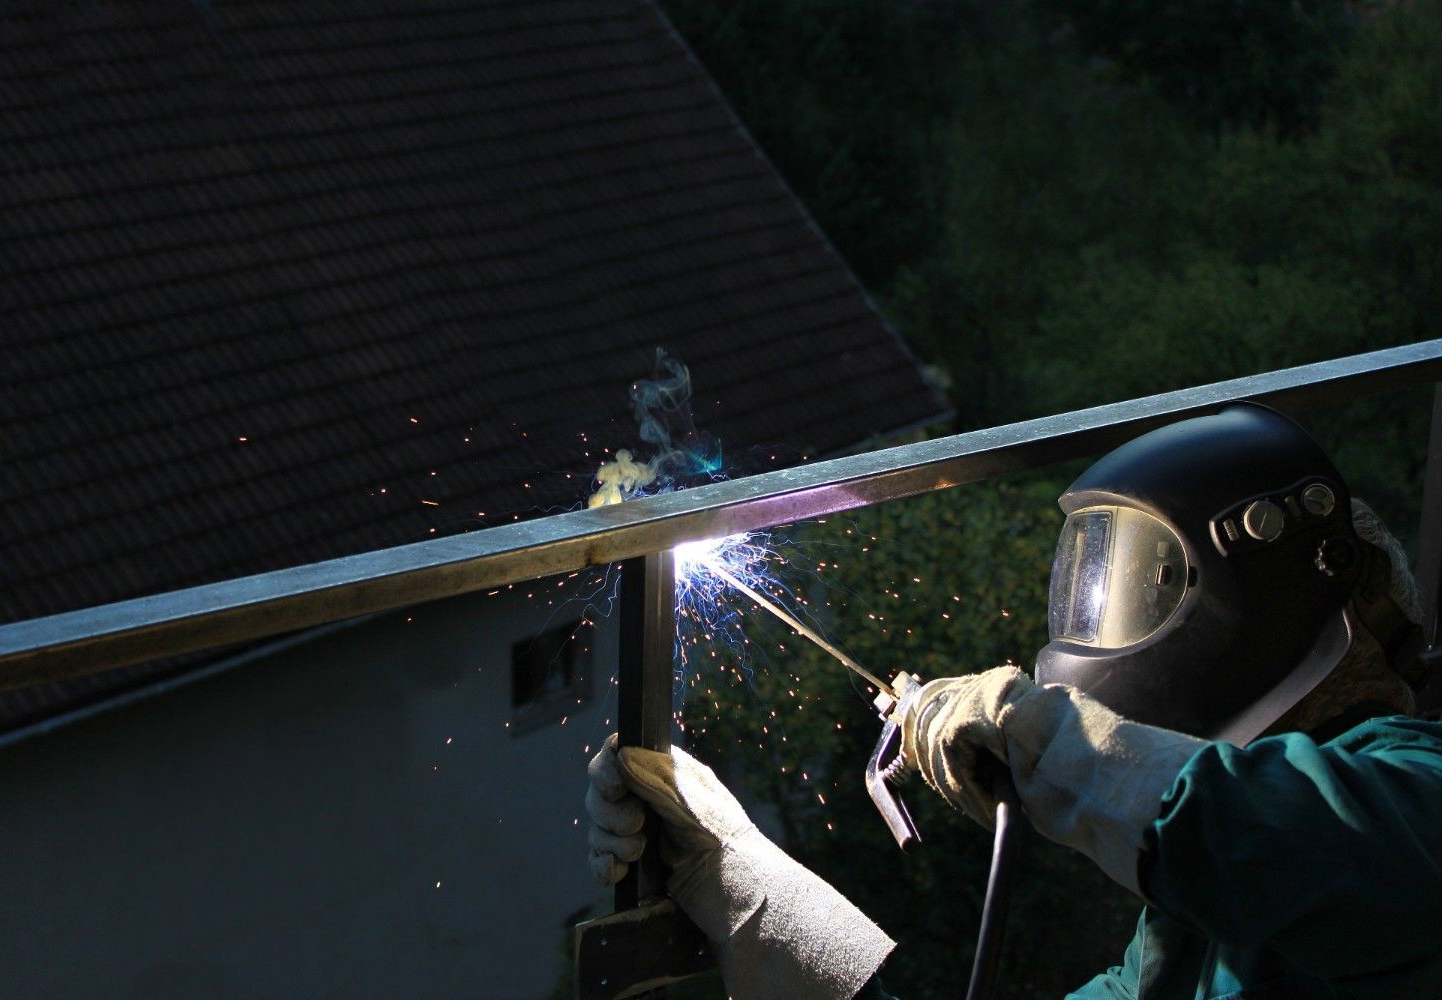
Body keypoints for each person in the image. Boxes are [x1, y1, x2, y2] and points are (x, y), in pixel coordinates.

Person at [586, 403, 1442, 998]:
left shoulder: (1416, 794)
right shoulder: (1179, 944)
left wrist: (1043, 741)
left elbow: (1269, 834)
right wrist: (744, 883)